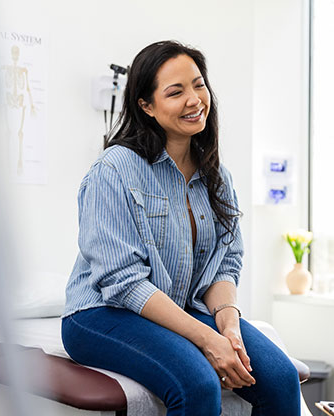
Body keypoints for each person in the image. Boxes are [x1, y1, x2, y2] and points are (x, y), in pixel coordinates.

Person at [61, 41, 300, 416]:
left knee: (281, 377)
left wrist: (228, 324)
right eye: (175, 92)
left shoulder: (218, 175)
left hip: (180, 307)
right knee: (198, 385)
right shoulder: (114, 170)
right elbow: (122, 281)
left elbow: (226, 262)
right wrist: (206, 338)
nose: (194, 100)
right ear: (146, 105)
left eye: (198, 84)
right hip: (102, 314)